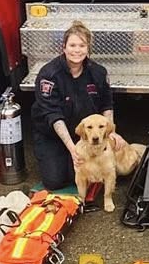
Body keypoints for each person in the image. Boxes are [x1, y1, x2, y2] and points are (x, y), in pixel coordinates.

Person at [29, 20, 112, 193]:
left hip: (85, 134)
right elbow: (53, 115)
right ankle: (63, 158)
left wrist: (111, 133)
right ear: (64, 47)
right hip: (53, 134)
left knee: (95, 175)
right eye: (72, 45)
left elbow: (106, 104)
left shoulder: (98, 73)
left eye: (82, 45)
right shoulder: (49, 75)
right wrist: (73, 150)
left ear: (88, 48)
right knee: (55, 181)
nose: (77, 50)